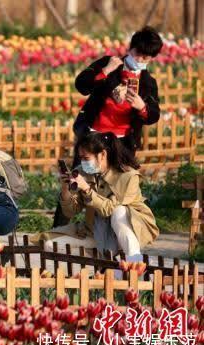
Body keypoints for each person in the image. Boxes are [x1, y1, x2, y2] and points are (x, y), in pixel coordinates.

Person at [54, 26, 163, 227]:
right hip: (94, 133)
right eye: (138, 54)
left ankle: (118, 228)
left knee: (120, 184)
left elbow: (154, 114)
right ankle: (59, 227)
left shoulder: (148, 82)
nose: (140, 60)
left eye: (146, 58)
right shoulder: (110, 62)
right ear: (131, 48)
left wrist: (141, 107)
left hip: (122, 140)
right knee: (75, 179)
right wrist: (105, 71)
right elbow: (81, 85)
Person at [33, 132, 159, 262]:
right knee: (49, 245)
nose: (83, 162)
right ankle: (103, 264)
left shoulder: (128, 176)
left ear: (103, 154)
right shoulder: (82, 172)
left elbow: (109, 209)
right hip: (95, 231)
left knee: (119, 211)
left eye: (86, 158)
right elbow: (70, 212)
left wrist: (87, 189)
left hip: (125, 230)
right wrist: (65, 188)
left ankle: (134, 261)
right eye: (80, 158)